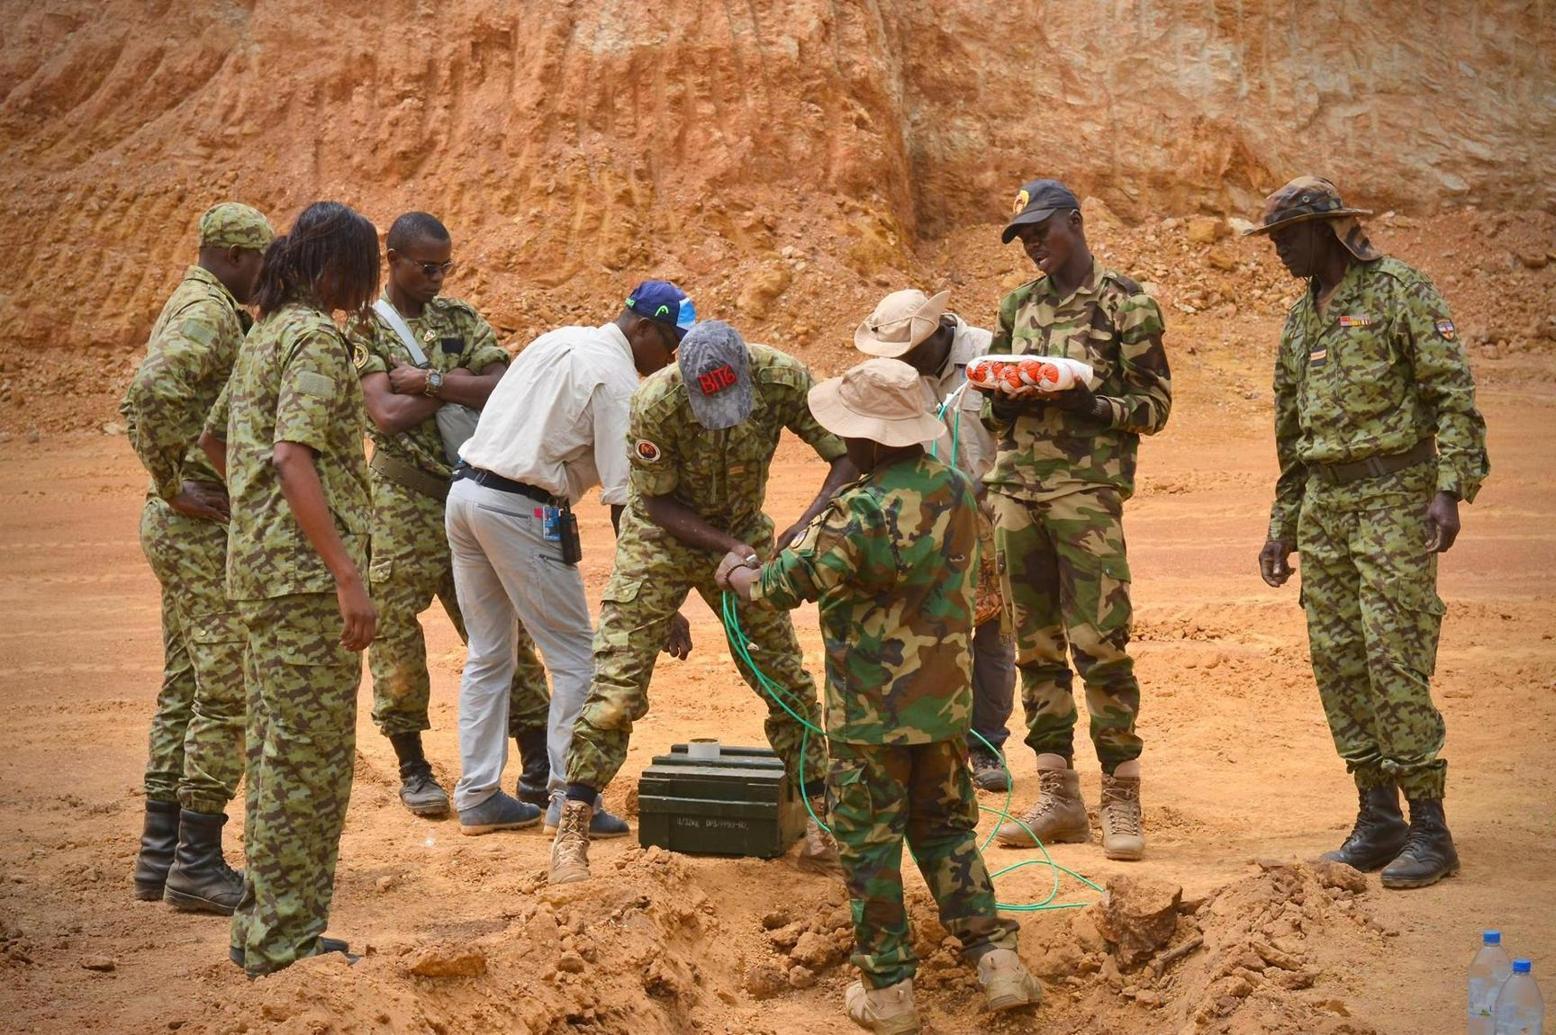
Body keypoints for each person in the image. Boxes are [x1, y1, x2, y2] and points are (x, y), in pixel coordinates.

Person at [719, 358, 1042, 1034]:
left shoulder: (857, 511)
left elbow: (780, 586)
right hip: (945, 709)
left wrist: (739, 573)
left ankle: (890, 988)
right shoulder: (956, 488)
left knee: (869, 848)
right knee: (948, 831)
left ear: (868, 438)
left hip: (871, 721)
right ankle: (997, 960)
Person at [549, 320, 857, 885]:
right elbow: (656, 504)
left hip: (744, 533)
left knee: (783, 678)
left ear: (747, 370)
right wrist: (727, 548)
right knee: (616, 688)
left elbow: (846, 455)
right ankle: (574, 822)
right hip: (660, 539)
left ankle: (819, 819)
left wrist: (804, 525)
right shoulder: (654, 402)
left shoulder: (783, 377)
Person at [1246, 176, 1489, 889]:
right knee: (1340, 658)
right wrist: (1280, 526)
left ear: (1326, 229)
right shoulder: (1300, 322)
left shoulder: (1399, 292)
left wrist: (1450, 489)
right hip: (1324, 504)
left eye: (1288, 236)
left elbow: (1453, 394)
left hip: (1395, 496)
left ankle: (1432, 827)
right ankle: (1378, 813)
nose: (1280, 251)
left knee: (1393, 655)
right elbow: (1291, 438)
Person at [445, 280, 694, 836]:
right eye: (671, 344)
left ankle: (478, 794)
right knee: (578, 660)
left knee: (489, 653)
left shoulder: (561, 338)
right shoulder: (618, 384)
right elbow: (625, 502)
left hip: (465, 496)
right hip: (521, 510)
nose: (672, 358)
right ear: (643, 328)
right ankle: (566, 798)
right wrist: (658, 596)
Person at [981, 178, 1172, 861]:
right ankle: (1058, 792)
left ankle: (1121, 793)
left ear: (1075, 222)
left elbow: (1153, 404)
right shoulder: (1017, 306)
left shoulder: (1127, 302)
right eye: (1023, 237)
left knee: (1099, 642)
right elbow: (988, 403)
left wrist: (1090, 403)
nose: (1033, 245)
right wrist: (1004, 397)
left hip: (1086, 493)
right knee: (1032, 643)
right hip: (1016, 491)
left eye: (1042, 230)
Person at [214, 200, 380, 976]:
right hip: (308, 587)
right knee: (307, 766)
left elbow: (218, 439)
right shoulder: (312, 337)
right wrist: (345, 571)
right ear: (337, 266)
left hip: (261, 575)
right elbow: (291, 456)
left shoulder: (265, 335)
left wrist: (255, 525)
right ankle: (283, 944)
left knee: (277, 755)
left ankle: (266, 931)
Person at [350, 211, 552, 818]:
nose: (438, 277)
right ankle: (412, 761)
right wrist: (457, 383)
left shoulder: (459, 317)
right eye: (426, 267)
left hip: (473, 491)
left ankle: (536, 756)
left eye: (446, 267)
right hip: (402, 501)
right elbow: (382, 415)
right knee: (393, 628)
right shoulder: (364, 329)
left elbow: (504, 385)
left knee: (499, 625)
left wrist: (430, 381)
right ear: (394, 260)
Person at [121, 202, 272, 915]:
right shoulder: (210, 314)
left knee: (185, 681)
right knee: (227, 688)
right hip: (196, 526)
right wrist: (168, 477)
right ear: (238, 258)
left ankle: (160, 856)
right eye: (262, 263)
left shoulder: (197, 299)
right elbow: (150, 392)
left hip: (181, 526)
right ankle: (197, 862)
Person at [854, 287, 1016, 792]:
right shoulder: (900, 377)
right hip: (926, 523)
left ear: (937, 331)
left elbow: (1021, 436)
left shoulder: (992, 356)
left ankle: (986, 745)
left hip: (993, 518)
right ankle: (929, 746)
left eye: (906, 349)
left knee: (992, 638)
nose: (898, 360)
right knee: (930, 634)